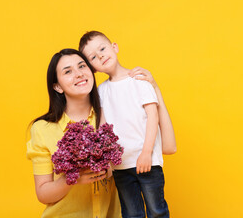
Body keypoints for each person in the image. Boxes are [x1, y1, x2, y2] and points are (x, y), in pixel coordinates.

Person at [79, 31, 176, 218]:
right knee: (131, 213)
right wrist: (104, 158)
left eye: (102, 48)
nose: (100, 55)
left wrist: (146, 153)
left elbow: (152, 116)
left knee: (157, 211)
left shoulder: (138, 79)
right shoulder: (101, 91)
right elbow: (103, 127)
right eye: (93, 57)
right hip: (120, 166)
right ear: (93, 68)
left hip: (147, 161)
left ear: (114, 47)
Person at [27, 49, 121, 218]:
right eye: (68, 71)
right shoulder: (42, 129)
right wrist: (72, 178)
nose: (78, 74)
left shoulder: (112, 115)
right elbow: (43, 193)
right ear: (57, 86)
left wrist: (153, 89)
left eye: (82, 66)